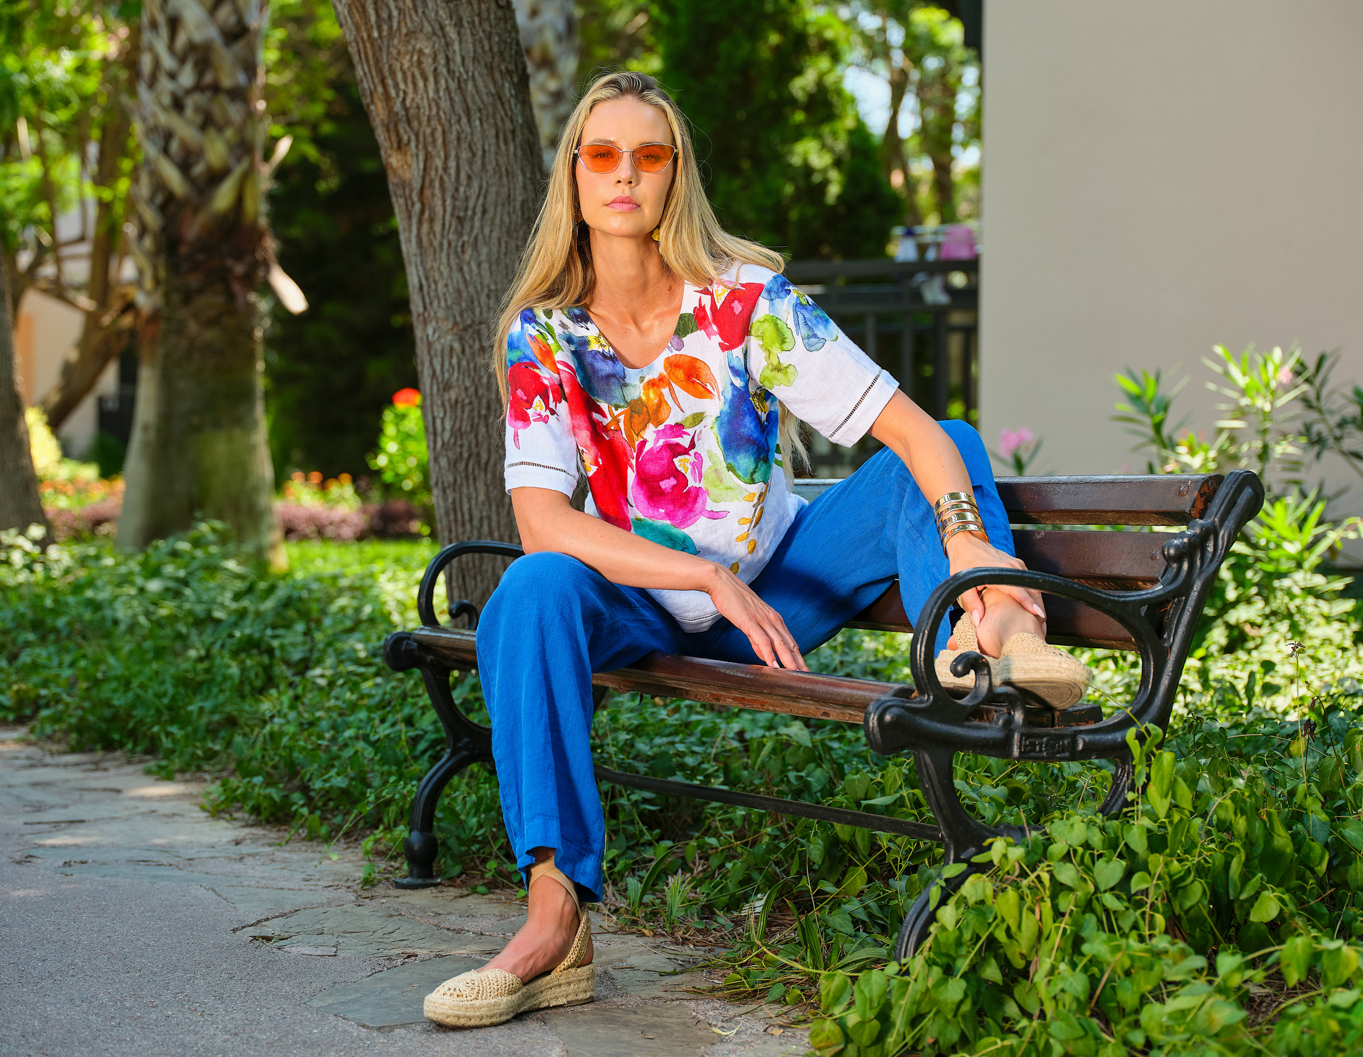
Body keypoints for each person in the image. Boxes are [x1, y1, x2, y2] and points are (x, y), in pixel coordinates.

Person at [422, 71, 1089, 1029]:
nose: (624, 176)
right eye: (601, 154)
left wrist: (969, 567)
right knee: (531, 587)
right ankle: (553, 917)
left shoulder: (744, 302)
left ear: (674, 175)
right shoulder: (546, 335)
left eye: (648, 156)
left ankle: (997, 624)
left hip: (779, 592)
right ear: (573, 173)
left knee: (944, 437)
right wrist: (698, 574)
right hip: (646, 605)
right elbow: (543, 521)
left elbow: (915, 436)